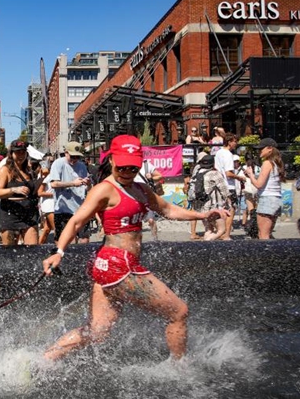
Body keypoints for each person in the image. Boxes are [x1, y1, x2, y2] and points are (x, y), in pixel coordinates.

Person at [41, 135, 229, 361]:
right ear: (111, 161)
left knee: (97, 332)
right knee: (179, 312)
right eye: (123, 167)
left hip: (109, 266)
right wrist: (59, 252)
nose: (127, 172)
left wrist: (202, 214)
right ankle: (180, 372)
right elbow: (76, 221)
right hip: (118, 266)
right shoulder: (104, 190)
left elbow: (167, 209)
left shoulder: (140, 189)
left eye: (133, 167)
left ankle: (42, 361)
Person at [0, 139, 39, 245]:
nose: (21, 155)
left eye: (23, 152)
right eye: (17, 152)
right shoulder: (5, 170)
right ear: (11, 154)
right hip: (10, 214)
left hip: (29, 214)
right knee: (10, 254)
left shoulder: (29, 171)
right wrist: (14, 189)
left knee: (32, 251)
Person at [50, 141, 91, 244]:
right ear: (66, 153)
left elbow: (87, 187)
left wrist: (87, 183)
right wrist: (73, 183)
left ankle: (83, 259)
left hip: (81, 208)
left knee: (84, 239)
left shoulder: (81, 166)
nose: (75, 160)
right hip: (63, 209)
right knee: (67, 241)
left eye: (77, 157)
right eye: (72, 156)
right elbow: (54, 184)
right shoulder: (59, 163)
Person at [244, 138, 285, 239]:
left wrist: (251, 175)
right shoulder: (276, 163)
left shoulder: (267, 163)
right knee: (268, 233)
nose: (259, 151)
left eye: (261, 149)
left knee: (263, 235)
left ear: (270, 149)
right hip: (276, 200)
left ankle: (266, 254)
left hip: (267, 199)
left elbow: (259, 184)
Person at [214, 133, 245, 240]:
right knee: (231, 209)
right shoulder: (228, 154)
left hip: (220, 185)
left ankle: (219, 231)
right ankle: (226, 234)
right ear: (229, 142)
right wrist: (240, 178)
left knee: (221, 209)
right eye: (234, 141)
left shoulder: (218, 153)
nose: (236, 144)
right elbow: (228, 173)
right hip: (229, 186)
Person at [194, 153, 229, 241]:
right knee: (221, 230)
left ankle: (206, 250)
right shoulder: (215, 174)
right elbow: (224, 189)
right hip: (214, 207)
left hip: (202, 206)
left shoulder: (198, 174)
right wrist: (228, 200)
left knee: (208, 229)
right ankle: (206, 243)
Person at [133, 159, 163, 241]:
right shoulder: (129, 165)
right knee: (135, 221)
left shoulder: (146, 165)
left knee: (151, 220)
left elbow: (160, 176)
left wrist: (151, 178)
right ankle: (136, 241)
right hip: (134, 197)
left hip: (146, 196)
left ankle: (155, 239)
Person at [37, 164, 55, 244]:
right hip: (49, 206)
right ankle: (59, 250)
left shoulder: (57, 177)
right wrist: (54, 195)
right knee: (57, 229)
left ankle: (38, 247)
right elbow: (40, 192)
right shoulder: (48, 178)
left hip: (53, 205)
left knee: (47, 229)